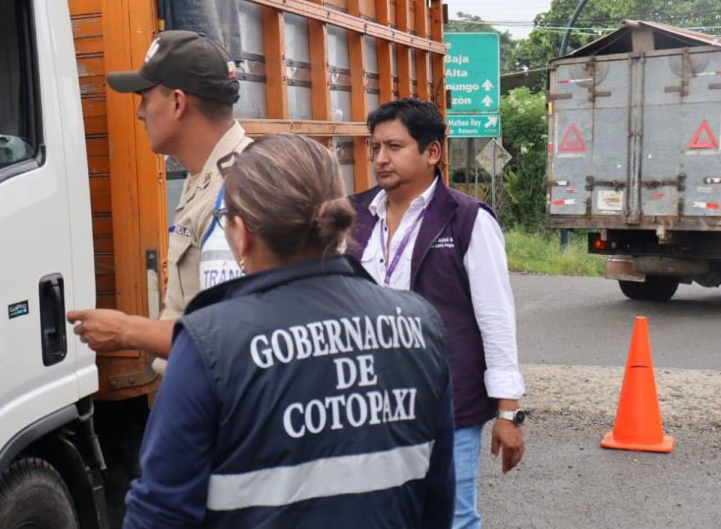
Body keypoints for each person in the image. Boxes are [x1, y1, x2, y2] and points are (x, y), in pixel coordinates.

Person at [123, 135, 455, 528]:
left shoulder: (208, 343)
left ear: (242, 234)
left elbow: (161, 516)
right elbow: (437, 498)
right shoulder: (419, 324)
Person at [347, 98, 525, 529]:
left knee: (451, 518)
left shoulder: (467, 220)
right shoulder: (354, 215)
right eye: (375, 148)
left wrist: (507, 412)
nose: (381, 159)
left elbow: (495, 318)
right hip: (367, 400)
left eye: (394, 146)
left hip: (445, 404)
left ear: (432, 153)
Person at [66, 31, 250, 367]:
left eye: (145, 98)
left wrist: (125, 331)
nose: (139, 113)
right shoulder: (210, 177)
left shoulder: (236, 192)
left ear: (178, 103)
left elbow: (227, 337)